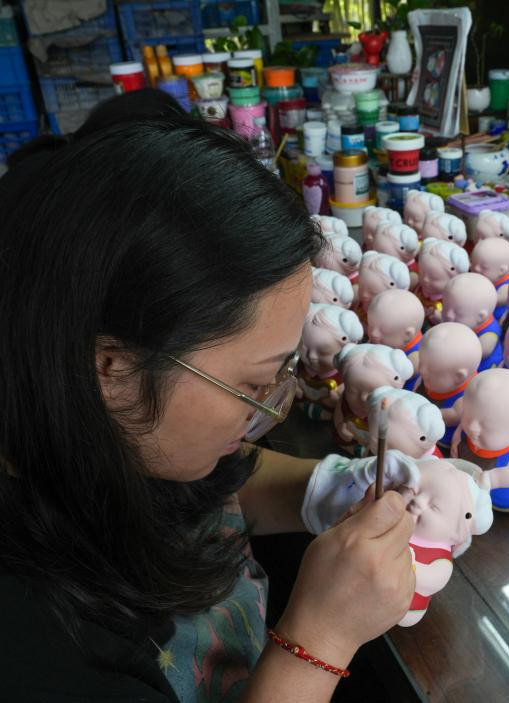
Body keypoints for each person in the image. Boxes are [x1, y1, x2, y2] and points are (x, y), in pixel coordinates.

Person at [0, 92, 417, 702]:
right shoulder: (37, 646)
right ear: (111, 368)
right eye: (252, 384)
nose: (271, 407)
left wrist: (326, 488)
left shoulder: (108, 429)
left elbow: (208, 492)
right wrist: (320, 638)